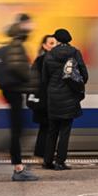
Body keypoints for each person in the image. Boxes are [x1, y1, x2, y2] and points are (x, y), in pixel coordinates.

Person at [42, 28, 88, 170]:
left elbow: (44, 79)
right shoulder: (75, 53)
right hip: (69, 97)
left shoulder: (49, 55)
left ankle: (47, 161)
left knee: (52, 131)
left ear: (56, 39)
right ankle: (60, 162)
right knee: (65, 132)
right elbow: (84, 75)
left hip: (53, 97)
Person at [1, 14, 39, 181]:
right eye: (29, 24)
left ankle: (18, 165)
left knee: (19, 129)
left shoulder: (16, 43)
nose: (32, 27)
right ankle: (18, 169)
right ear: (23, 25)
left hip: (14, 92)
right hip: (15, 92)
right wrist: (33, 80)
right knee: (18, 130)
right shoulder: (17, 45)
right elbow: (18, 67)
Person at [30, 34, 57, 162]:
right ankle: (43, 155)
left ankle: (41, 154)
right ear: (44, 46)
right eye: (51, 43)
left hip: (46, 100)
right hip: (45, 100)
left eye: (56, 43)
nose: (54, 45)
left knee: (45, 128)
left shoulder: (40, 60)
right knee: (48, 128)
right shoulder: (43, 60)